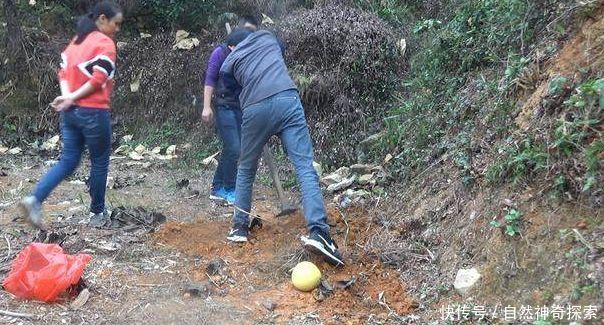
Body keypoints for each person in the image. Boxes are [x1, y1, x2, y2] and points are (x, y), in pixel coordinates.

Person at [221, 29, 345, 266]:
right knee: (304, 167)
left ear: (234, 46)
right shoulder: (268, 37)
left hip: (254, 108)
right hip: (287, 99)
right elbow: (280, 53)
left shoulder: (230, 60)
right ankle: (320, 232)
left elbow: (230, 90)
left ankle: (239, 227)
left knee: (246, 169)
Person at [19, 1, 123, 229]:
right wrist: (73, 97)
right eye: (116, 23)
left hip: (71, 113)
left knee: (67, 161)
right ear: (103, 19)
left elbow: (63, 72)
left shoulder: (76, 42)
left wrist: (68, 98)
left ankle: (35, 199)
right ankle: (97, 213)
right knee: (99, 162)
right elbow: (98, 80)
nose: (117, 29)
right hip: (94, 112)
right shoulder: (105, 43)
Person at [202, 17, 259, 205]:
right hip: (223, 105)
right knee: (234, 148)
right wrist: (206, 106)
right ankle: (228, 188)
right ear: (234, 46)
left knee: (234, 148)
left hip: (240, 106)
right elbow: (210, 80)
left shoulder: (244, 57)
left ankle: (217, 188)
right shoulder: (220, 53)